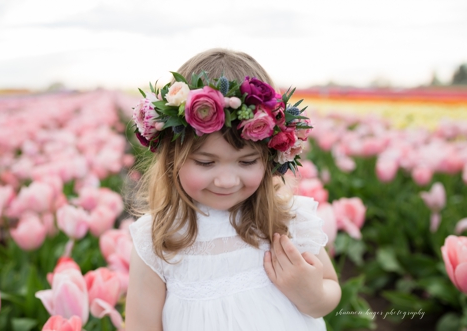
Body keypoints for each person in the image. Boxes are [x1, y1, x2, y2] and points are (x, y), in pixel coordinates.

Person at [122, 48, 338, 330]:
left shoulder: (287, 221)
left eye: (247, 161)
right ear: (173, 158)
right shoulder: (158, 241)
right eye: (206, 162)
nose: (226, 180)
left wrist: (311, 295)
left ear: (270, 156)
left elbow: (329, 290)